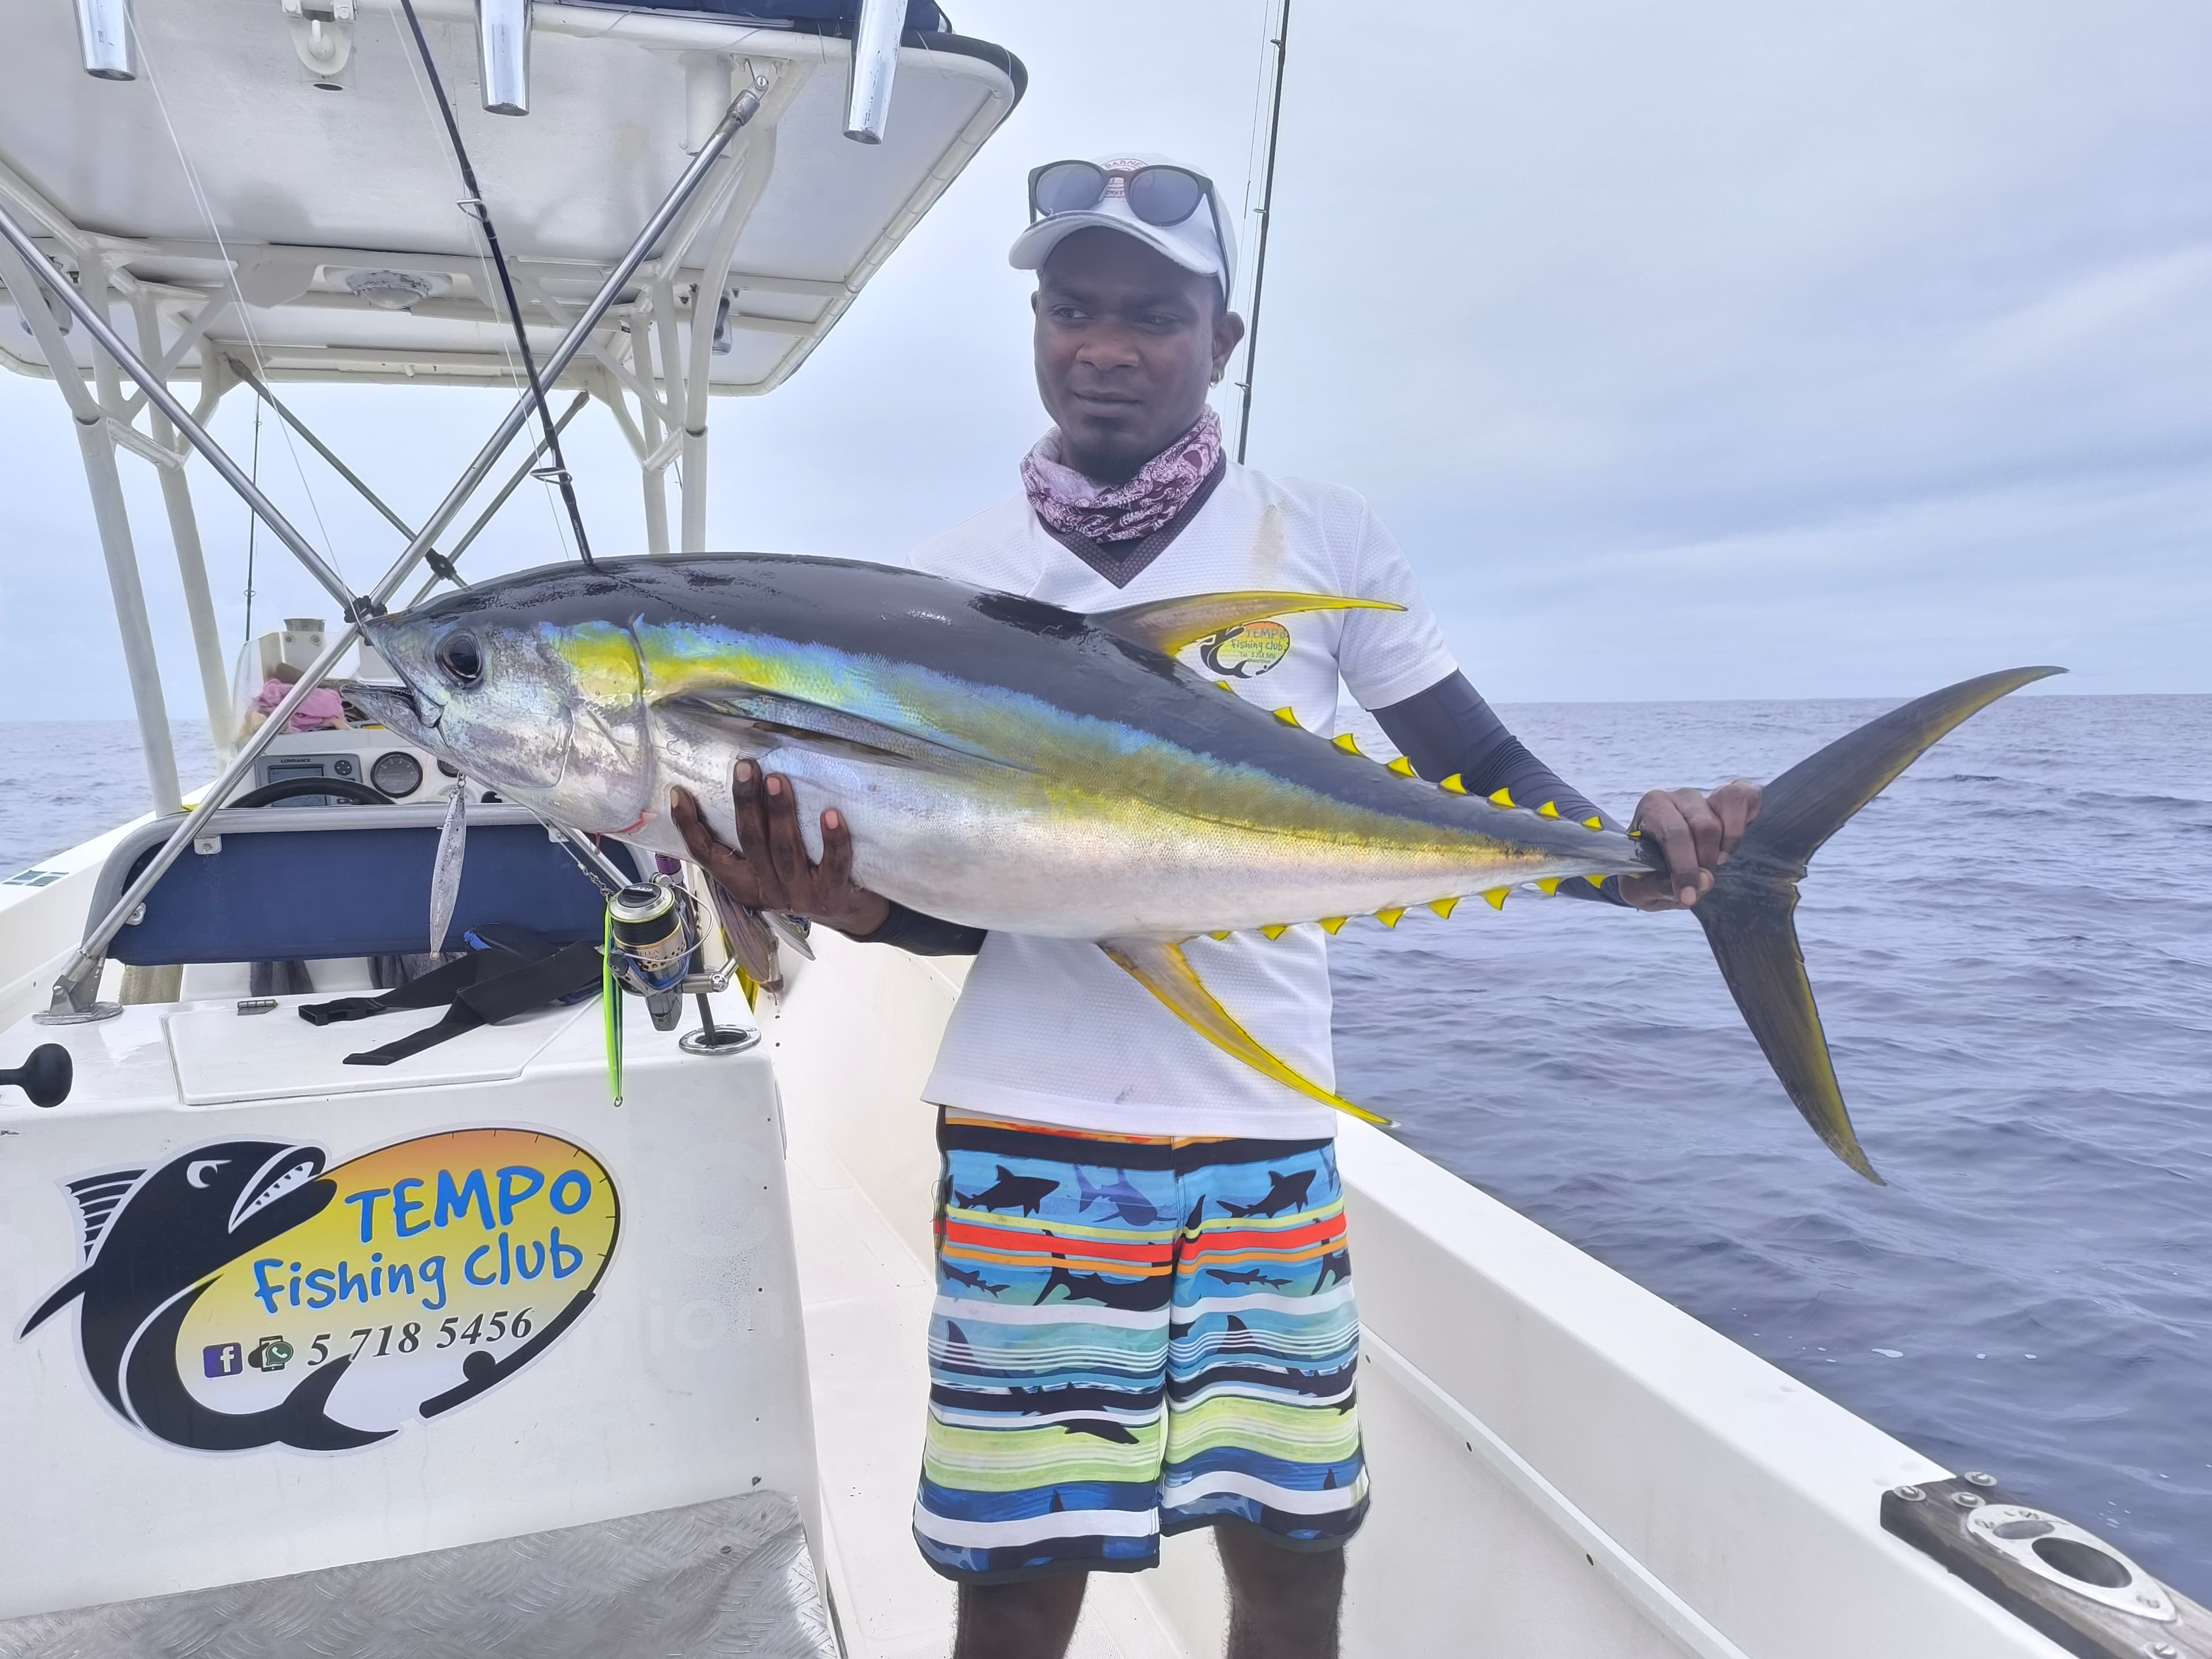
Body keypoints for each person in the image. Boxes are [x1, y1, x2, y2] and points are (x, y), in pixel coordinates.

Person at [675, 153, 1760, 1659]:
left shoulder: (1316, 537)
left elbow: (1481, 765)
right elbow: (961, 907)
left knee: (1290, 1546)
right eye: (1071, 309)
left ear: (1223, 345)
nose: (1104, 346)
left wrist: (1630, 857)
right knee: (1020, 1562)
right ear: (1037, 325)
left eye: (1151, 317)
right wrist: (843, 907)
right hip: (1032, 1125)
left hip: (1260, 1122)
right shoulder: (950, 587)